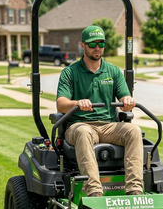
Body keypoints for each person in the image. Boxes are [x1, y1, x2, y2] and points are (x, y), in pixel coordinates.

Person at [56, 25, 143, 198]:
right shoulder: (70, 72)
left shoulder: (113, 72)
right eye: (92, 44)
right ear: (82, 45)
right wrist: (76, 103)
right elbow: (61, 103)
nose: (97, 47)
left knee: (134, 130)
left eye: (101, 43)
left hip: (109, 126)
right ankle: (94, 191)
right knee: (83, 132)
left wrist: (127, 101)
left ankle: (135, 190)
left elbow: (124, 96)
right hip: (80, 125)